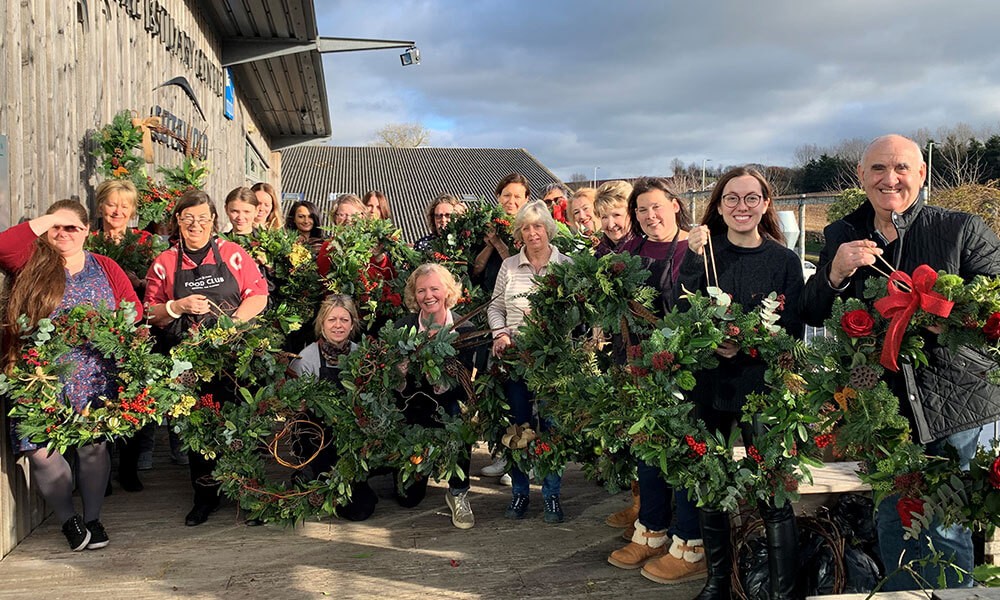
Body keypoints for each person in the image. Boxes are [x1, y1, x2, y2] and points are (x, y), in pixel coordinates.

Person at [798, 134, 1000, 591]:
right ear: (861, 177)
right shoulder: (842, 234)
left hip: (954, 401)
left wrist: (944, 317)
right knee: (893, 515)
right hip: (882, 408)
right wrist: (835, 272)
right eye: (877, 170)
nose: (890, 179)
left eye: (902, 168)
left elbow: (993, 308)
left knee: (945, 523)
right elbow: (809, 312)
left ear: (922, 174)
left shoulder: (961, 229)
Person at [680, 167, 804, 600]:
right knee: (710, 484)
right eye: (731, 198)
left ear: (766, 205)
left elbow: (792, 330)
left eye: (751, 198)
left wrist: (746, 346)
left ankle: (783, 590)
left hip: (761, 388)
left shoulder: (784, 261)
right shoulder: (705, 252)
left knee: (772, 487)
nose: (742, 207)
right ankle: (717, 584)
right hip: (710, 386)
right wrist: (693, 259)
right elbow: (680, 312)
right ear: (718, 206)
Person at [0, 199, 142, 551]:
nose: (63, 233)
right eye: (56, 228)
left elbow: (133, 310)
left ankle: (93, 517)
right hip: (38, 375)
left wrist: (115, 331)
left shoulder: (105, 266)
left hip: (93, 373)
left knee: (93, 448)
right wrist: (50, 217)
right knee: (40, 452)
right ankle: (69, 520)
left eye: (72, 227)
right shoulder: (30, 263)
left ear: (87, 232)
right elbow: (2, 246)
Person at [144, 190, 268, 527]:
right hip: (189, 362)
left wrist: (233, 325)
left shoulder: (233, 253)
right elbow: (149, 312)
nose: (195, 224)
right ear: (178, 223)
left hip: (233, 356)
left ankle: (249, 494)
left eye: (202, 218)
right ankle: (204, 498)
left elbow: (258, 295)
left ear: (214, 220)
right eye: (188, 219)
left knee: (241, 424)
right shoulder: (165, 262)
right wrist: (177, 306)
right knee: (198, 429)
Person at [606, 177, 706, 585]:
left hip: (688, 368)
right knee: (647, 449)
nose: (649, 216)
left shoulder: (695, 247)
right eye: (641, 210)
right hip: (643, 368)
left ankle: (690, 544)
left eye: (656, 207)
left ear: (675, 205)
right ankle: (651, 531)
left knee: (685, 454)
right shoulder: (633, 250)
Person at [487, 200, 572, 523]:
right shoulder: (509, 266)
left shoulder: (566, 265)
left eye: (538, 226)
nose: (532, 232)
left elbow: (579, 311)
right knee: (518, 426)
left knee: (552, 427)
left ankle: (551, 495)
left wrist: (552, 320)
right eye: (526, 227)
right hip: (516, 358)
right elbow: (495, 307)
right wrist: (501, 334)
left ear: (549, 229)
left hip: (553, 360)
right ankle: (520, 492)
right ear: (519, 233)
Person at [392, 264, 481, 528]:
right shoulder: (402, 328)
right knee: (407, 498)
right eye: (421, 290)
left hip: (448, 407)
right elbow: (391, 386)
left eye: (434, 289)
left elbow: (466, 384)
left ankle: (458, 491)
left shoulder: (465, 329)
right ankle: (417, 467)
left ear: (447, 291)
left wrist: (443, 384)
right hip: (412, 409)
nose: (428, 296)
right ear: (413, 295)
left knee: (459, 417)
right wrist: (400, 375)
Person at [91, 180, 159, 488]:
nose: (117, 211)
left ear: (133, 211)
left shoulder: (145, 242)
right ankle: (99, 473)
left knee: (132, 394)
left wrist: (140, 281)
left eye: (124, 206)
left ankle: (128, 468)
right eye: (112, 204)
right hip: (95, 330)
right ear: (101, 206)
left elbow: (160, 286)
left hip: (136, 329)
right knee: (98, 395)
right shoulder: (87, 241)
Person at [288, 295, 379, 520]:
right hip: (319, 438)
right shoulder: (306, 358)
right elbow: (295, 408)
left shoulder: (361, 354)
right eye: (331, 320)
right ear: (322, 323)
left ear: (353, 323)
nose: (338, 325)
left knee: (360, 509)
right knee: (346, 503)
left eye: (344, 319)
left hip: (352, 437)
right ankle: (309, 473)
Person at [472, 173, 531, 297]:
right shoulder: (485, 225)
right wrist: (489, 245)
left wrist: (497, 242)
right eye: (507, 195)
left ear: (526, 199)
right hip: (485, 296)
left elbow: (519, 271)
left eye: (517, 197)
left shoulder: (530, 230)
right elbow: (475, 270)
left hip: (517, 297)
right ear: (498, 196)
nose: (511, 201)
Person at [594, 180, 637, 256]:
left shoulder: (645, 251)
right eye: (604, 217)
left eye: (617, 215)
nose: (610, 225)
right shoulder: (596, 252)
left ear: (632, 214)